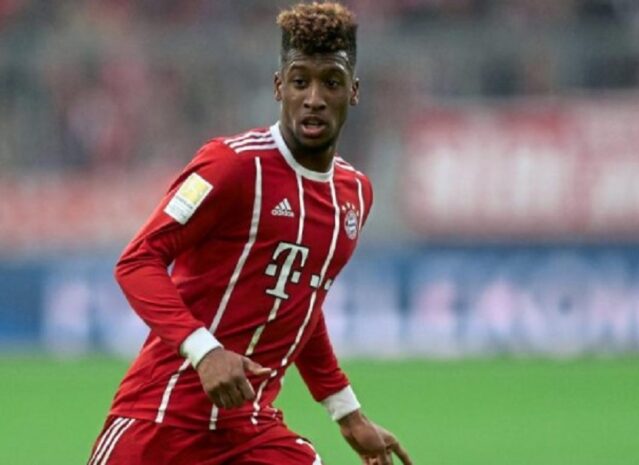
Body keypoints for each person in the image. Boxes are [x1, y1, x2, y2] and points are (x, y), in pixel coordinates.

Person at [87, 3, 412, 465]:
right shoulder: (233, 166)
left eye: (331, 82)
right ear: (279, 87)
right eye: (300, 81)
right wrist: (206, 352)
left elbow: (300, 303)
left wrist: (348, 413)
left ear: (353, 91)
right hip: (160, 422)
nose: (314, 98)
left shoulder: (354, 194)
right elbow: (137, 262)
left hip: (248, 432)